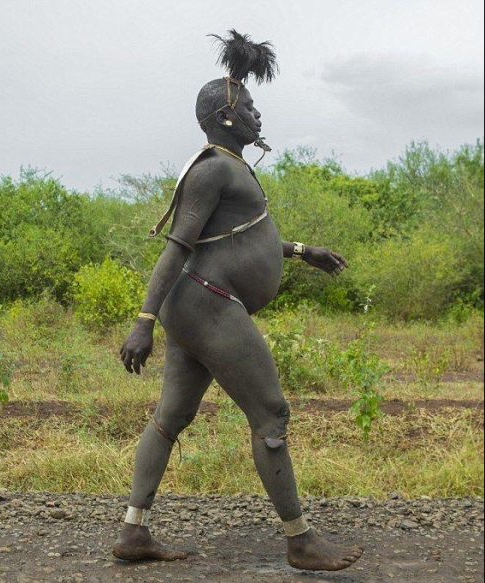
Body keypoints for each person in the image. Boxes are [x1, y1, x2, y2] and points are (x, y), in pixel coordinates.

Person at [111, 31, 363, 571]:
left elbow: (241, 240)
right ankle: (301, 542)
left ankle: (134, 534)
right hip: (207, 304)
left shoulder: (230, 168)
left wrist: (300, 250)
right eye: (249, 107)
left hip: (196, 306)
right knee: (271, 413)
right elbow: (178, 247)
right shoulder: (212, 169)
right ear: (226, 118)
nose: (258, 116)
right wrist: (143, 321)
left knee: (168, 420)